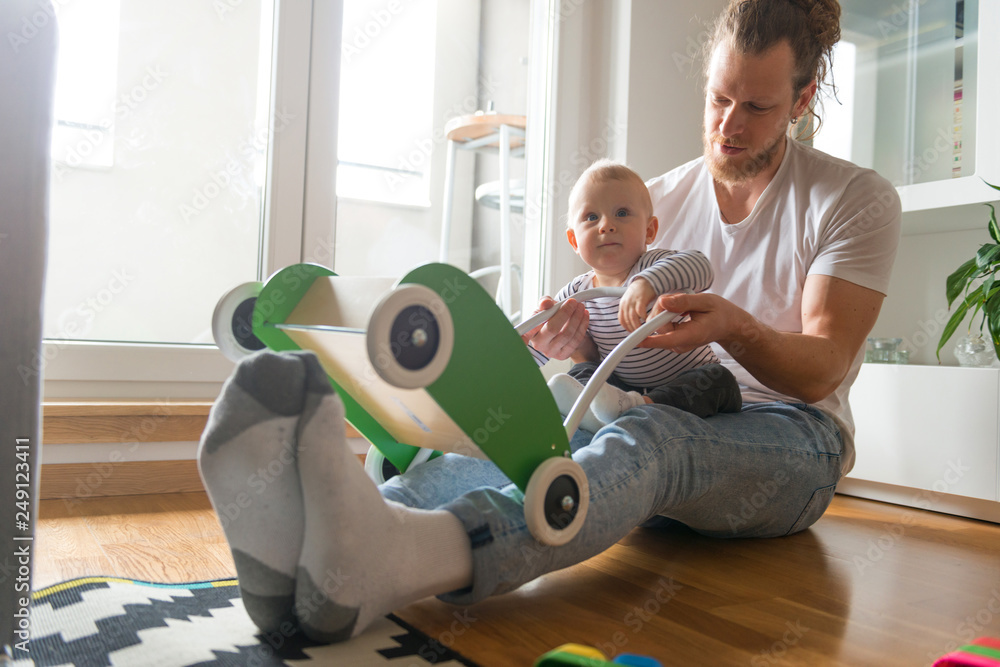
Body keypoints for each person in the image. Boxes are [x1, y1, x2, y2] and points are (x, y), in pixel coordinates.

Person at [197, 0, 901, 643]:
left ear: (802, 100)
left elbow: (824, 367)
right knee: (547, 414)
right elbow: (598, 330)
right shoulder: (648, 200)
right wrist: (574, 340)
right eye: (718, 98)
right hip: (643, 411)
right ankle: (332, 537)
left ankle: (398, 557)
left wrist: (735, 328)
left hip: (790, 443)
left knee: (650, 433)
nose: (728, 124)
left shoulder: (853, 199)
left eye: (755, 106)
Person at [537, 158, 741, 431]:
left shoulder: (656, 267)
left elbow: (701, 265)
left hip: (688, 379)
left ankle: (640, 407)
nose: (606, 225)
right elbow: (558, 342)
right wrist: (540, 341)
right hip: (621, 388)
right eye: (591, 217)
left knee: (719, 380)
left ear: (649, 231)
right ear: (574, 240)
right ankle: (593, 411)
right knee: (582, 373)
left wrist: (647, 284)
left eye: (622, 213)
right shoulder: (577, 293)